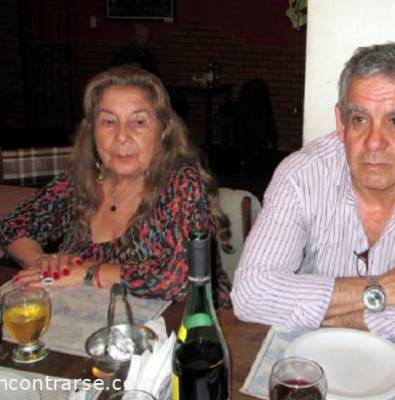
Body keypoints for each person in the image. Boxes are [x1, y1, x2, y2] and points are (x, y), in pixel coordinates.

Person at [231, 42, 395, 352]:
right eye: (360, 119)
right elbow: (251, 294)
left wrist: (332, 314)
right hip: (314, 361)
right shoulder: (301, 174)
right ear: (341, 124)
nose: (374, 142)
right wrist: (378, 289)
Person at [1, 65, 232, 307]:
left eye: (139, 122)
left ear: (163, 131)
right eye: (109, 122)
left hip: (186, 323)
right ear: (93, 131)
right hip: (93, 317)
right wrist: (42, 263)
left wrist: (88, 272)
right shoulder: (78, 181)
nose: (122, 136)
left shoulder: (181, 184)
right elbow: (14, 227)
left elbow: (183, 279)